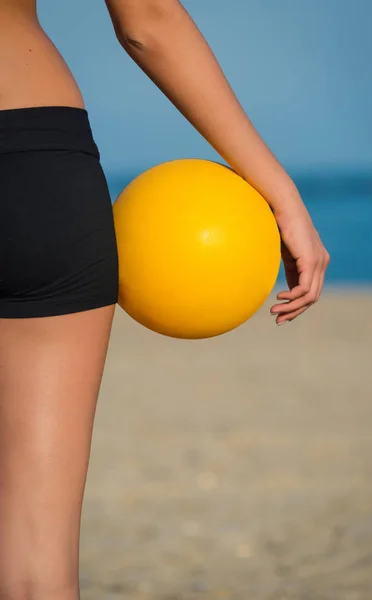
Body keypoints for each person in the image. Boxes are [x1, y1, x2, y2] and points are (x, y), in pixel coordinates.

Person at [0, 0, 329, 598]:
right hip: (33, 158)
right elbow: (148, 18)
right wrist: (279, 193)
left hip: (36, 154)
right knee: (33, 565)